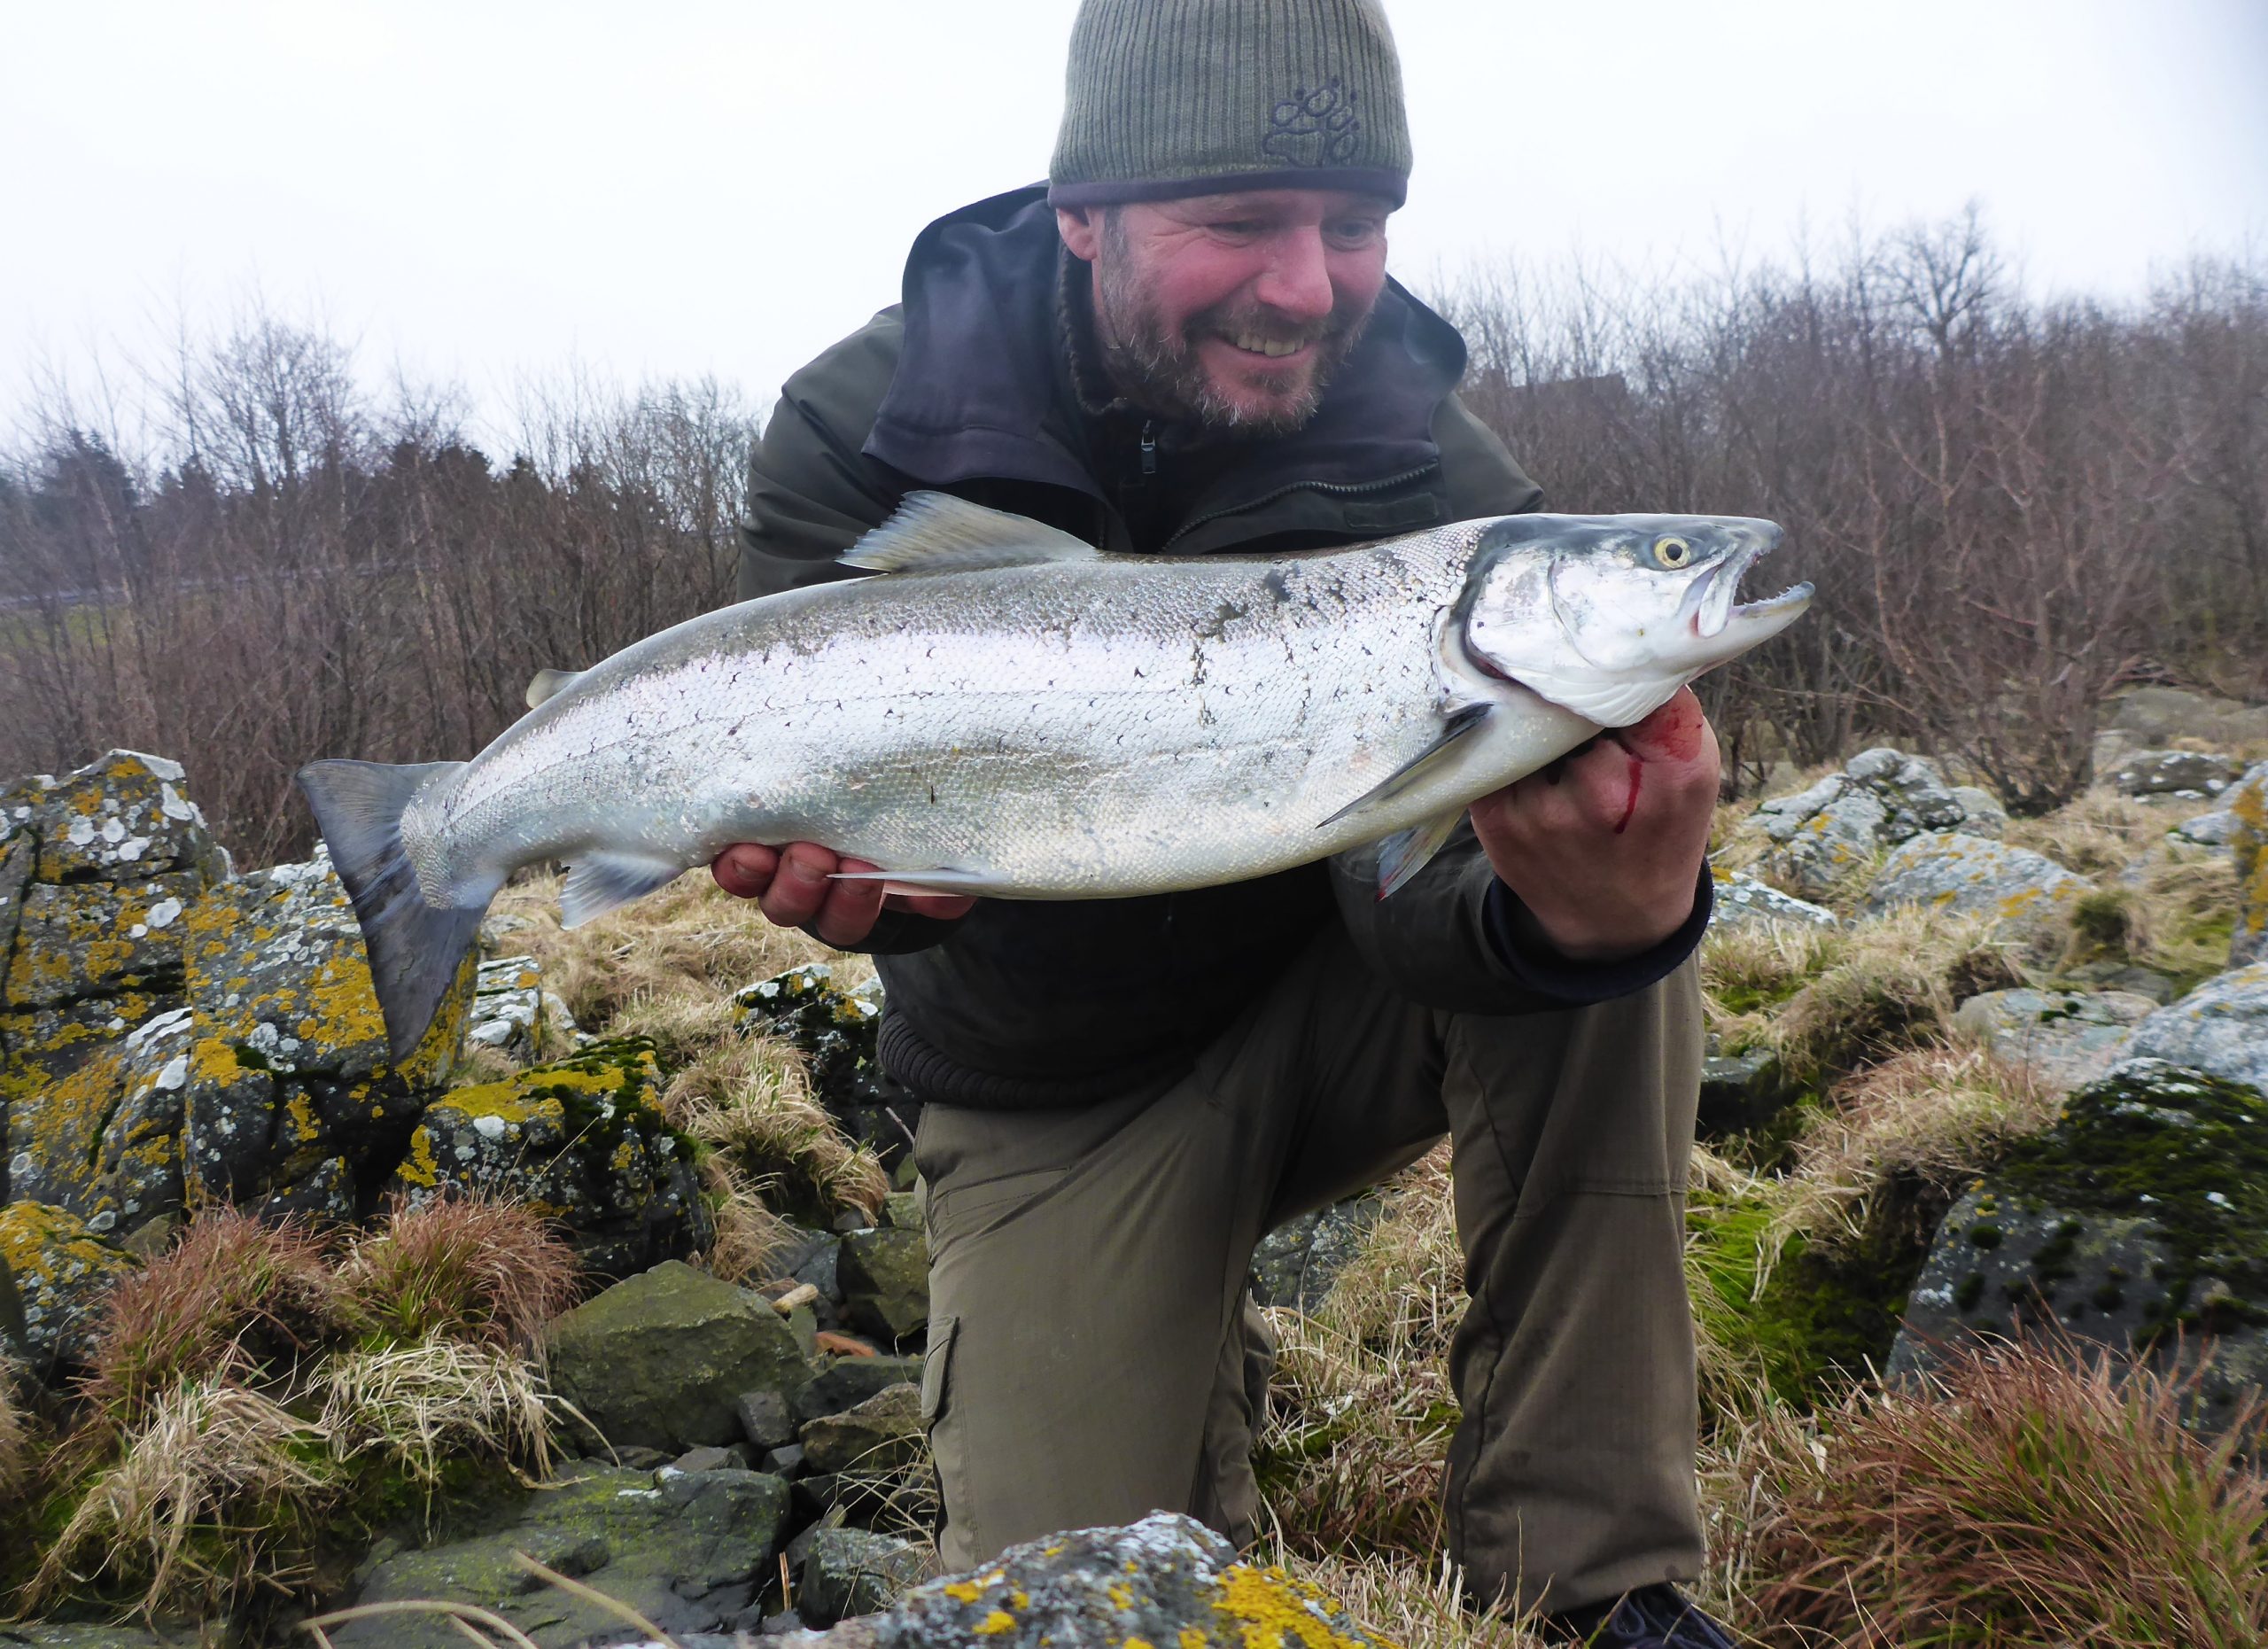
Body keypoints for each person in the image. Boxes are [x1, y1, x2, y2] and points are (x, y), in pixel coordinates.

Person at [714, 4, 1737, 1644]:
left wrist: (1581, 915)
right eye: (1239, 220)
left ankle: (1599, 1584)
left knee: (1622, 944)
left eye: (1351, 223)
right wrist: (876, 894)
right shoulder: (864, 425)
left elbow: (1413, 890)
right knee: (1079, 1606)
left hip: (1335, 998)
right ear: (1084, 214)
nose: (1307, 284)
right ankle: (1174, 1341)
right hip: (1053, 1086)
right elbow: (819, 804)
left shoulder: (1432, 467)